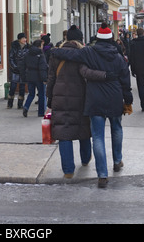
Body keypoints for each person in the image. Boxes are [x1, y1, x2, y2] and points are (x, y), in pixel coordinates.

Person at [49, 22, 133, 188]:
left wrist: (53, 50)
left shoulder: (89, 53)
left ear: (97, 38)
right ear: (111, 38)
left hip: (95, 99)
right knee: (117, 129)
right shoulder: (118, 57)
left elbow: (70, 56)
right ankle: (117, 160)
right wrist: (128, 100)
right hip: (114, 98)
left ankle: (102, 174)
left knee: (98, 137)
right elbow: (125, 81)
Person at [46, 25, 107, 179]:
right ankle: (85, 159)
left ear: (66, 38)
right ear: (80, 39)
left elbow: (51, 78)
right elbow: (87, 75)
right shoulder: (84, 53)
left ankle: (68, 170)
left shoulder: (56, 54)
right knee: (83, 128)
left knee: (63, 131)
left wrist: (49, 98)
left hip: (60, 97)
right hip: (82, 96)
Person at [20, 39, 48, 117]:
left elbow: (22, 66)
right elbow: (42, 68)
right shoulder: (40, 54)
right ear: (39, 46)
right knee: (42, 94)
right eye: (42, 45)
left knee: (31, 94)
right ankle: (41, 112)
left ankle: (26, 107)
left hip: (30, 76)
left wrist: (23, 76)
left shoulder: (27, 53)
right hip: (39, 77)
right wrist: (44, 79)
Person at [7, 33, 30, 109]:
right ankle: (10, 103)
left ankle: (20, 104)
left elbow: (29, 59)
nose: (25, 40)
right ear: (19, 39)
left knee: (22, 87)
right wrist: (14, 67)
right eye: (23, 38)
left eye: (25, 38)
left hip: (23, 70)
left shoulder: (28, 48)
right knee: (13, 87)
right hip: (15, 70)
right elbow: (11, 58)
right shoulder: (14, 47)